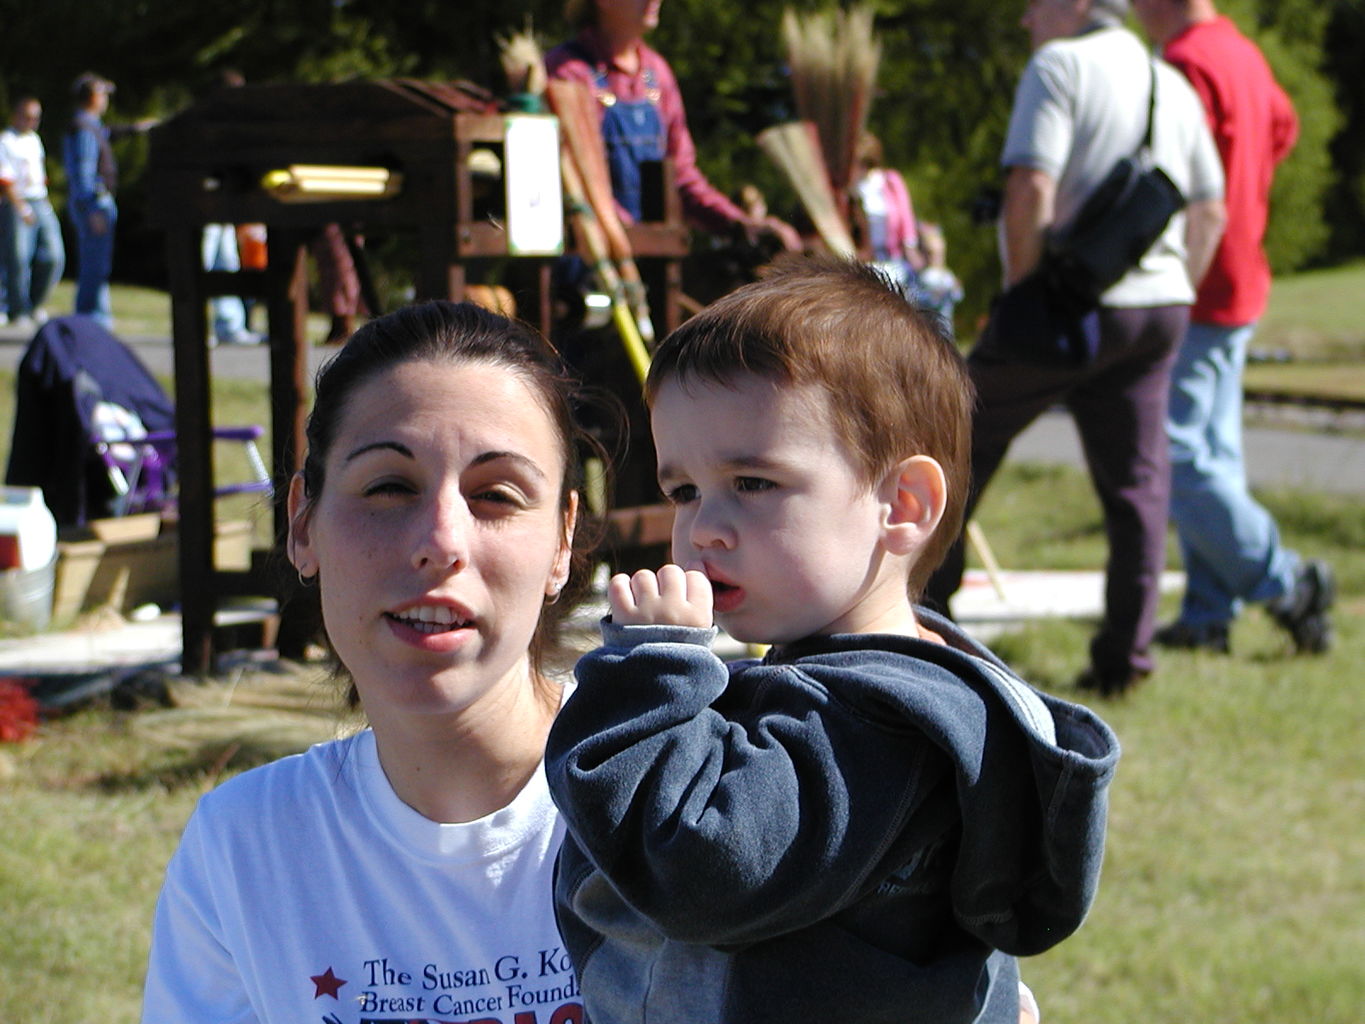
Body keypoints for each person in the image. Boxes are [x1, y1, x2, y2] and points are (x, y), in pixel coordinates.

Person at [545, 256, 1119, 1024]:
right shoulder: (921, 687)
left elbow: (693, 869)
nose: (702, 528)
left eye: (752, 483)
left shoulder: (868, 725)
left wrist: (647, 672)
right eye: (683, 490)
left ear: (901, 504)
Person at [140, 301, 601, 1023]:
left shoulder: (682, 803)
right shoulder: (247, 846)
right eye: (389, 486)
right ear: (302, 524)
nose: (440, 540)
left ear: (561, 541)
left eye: (496, 495)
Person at [923, 0, 1227, 696]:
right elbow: (1210, 209)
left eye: (1033, 6)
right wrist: (1178, 284)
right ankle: (1125, 661)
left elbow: (1029, 186)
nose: (1026, 19)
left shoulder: (1058, 66)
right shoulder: (1169, 81)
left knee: (949, 437)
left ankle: (926, 618)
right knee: (1137, 488)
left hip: (1064, 309)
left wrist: (1020, 293)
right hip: (1157, 310)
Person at [1132, 0, 1334, 656]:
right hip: (1239, 276)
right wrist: (1250, 189)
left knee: (1176, 455)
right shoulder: (1238, 52)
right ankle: (1206, 613)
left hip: (1197, 283)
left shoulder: (1186, 63)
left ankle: (1284, 582)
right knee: (1212, 456)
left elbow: (1162, 175)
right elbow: (1283, 128)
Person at [545, 0, 800, 250]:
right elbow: (570, 179)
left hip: (653, 257)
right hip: (587, 255)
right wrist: (622, 232)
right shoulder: (568, 73)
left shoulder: (656, 74)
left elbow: (681, 175)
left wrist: (741, 223)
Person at [61, 72, 154, 328]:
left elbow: (109, 132)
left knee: (97, 263)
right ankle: (90, 319)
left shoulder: (88, 125)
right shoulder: (84, 128)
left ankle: (97, 318)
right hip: (94, 202)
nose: (106, 100)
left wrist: (136, 128)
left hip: (93, 202)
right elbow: (83, 171)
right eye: (102, 95)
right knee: (94, 263)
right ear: (91, 97)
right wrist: (92, 207)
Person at [0, 95, 64, 331]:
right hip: (17, 201)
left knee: (54, 256)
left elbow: (39, 175)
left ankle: (34, 304)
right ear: (16, 115)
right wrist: (21, 208)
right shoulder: (6, 141)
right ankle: (17, 308)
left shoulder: (34, 140)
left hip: (39, 199)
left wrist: (44, 203)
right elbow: (6, 181)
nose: (32, 122)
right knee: (18, 257)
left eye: (36, 117)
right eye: (27, 117)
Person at [850, 131, 924, 294]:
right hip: (864, 259)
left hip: (893, 257)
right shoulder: (851, 191)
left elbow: (906, 215)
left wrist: (910, 247)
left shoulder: (890, 181)